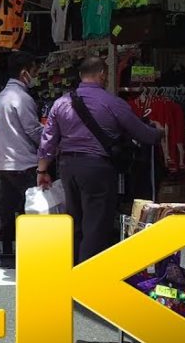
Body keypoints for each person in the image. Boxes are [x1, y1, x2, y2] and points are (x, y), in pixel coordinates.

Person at [38, 57, 163, 262]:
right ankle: (86, 281)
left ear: (80, 76)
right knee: (95, 225)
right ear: (103, 74)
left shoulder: (60, 104)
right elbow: (143, 134)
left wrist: (42, 171)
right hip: (97, 167)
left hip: (68, 167)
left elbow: (48, 141)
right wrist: (159, 132)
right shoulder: (112, 103)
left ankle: (70, 273)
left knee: (75, 222)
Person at [0, 52, 41, 269]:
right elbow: (33, 130)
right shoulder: (22, 98)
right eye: (34, 71)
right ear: (25, 72)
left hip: (6, 162)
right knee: (37, 207)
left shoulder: (4, 95)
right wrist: (53, 140)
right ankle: (38, 254)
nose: (36, 75)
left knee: (3, 207)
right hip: (24, 162)